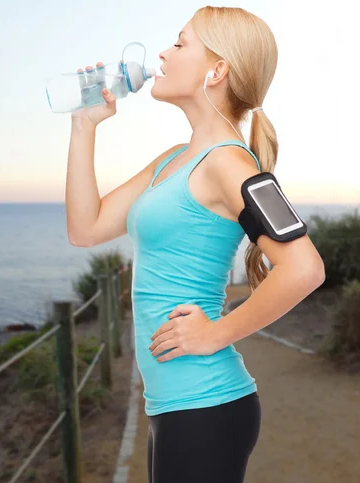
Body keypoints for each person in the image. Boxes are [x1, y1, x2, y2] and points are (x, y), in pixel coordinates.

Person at [65, 6, 325, 482]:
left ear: (217, 69)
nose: (163, 53)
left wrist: (215, 333)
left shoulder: (229, 163)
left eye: (180, 43)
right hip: (173, 408)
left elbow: (304, 268)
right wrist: (85, 125)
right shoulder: (172, 160)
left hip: (207, 407)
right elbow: (86, 228)